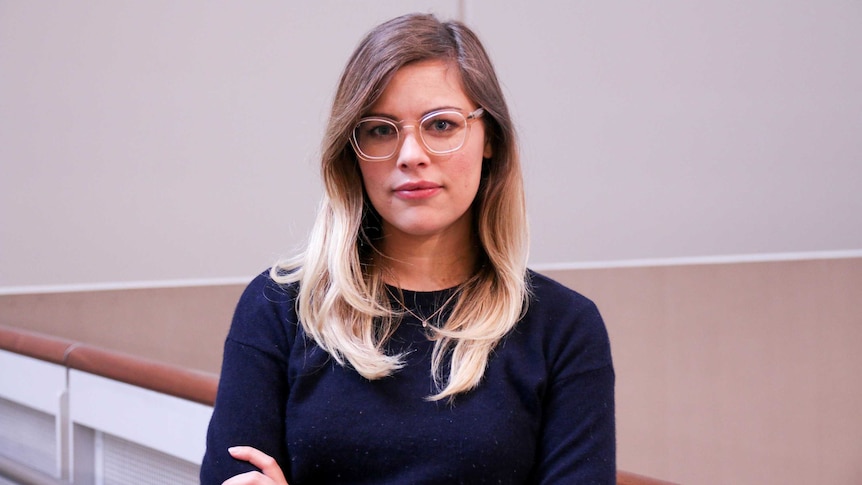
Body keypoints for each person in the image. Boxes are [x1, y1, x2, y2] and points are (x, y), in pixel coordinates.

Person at [201, 12, 615, 485]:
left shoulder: (563, 328)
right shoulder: (278, 308)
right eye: (380, 129)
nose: (410, 154)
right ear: (351, 152)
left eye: (441, 125)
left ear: (490, 139)